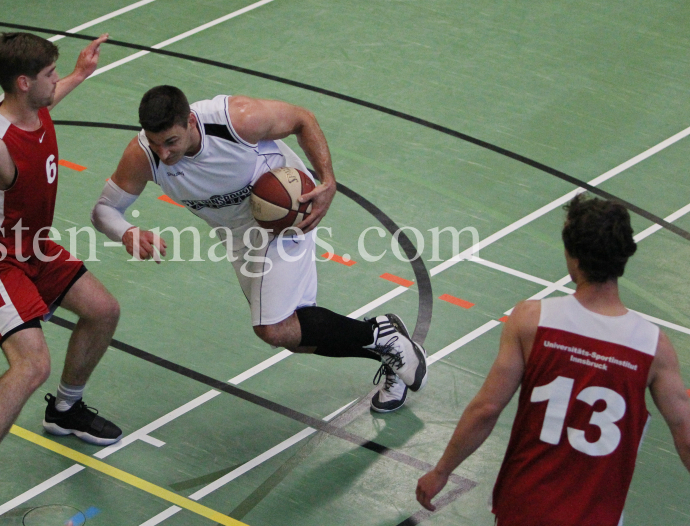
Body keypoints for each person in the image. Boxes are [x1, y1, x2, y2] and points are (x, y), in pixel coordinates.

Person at [91, 86, 427, 413]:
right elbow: (104, 210)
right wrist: (126, 232)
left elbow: (303, 119)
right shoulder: (143, 156)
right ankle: (387, 344)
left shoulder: (237, 119)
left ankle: (384, 338)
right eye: (155, 143)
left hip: (284, 213)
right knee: (293, 333)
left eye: (171, 142)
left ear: (191, 121)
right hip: (237, 234)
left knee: (273, 326)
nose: (164, 153)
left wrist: (327, 181)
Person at [0, 31, 120, 526]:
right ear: (22, 82)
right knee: (29, 365)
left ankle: (65, 410)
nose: (55, 82)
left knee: (103, 311)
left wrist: (80, 72)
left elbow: (54, 95)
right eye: (49, 75)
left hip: (34, 247)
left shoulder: (34, 106)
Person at [416, 195, 690, 524]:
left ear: (572, 255)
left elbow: (487, 409)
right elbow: (685, 434)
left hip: (524, 508)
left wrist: (442, 470)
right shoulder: (653, 346)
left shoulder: (531, 319)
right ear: (625, 256)